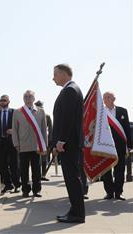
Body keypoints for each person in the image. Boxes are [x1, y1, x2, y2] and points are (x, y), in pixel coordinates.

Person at [52, 64, 85, 223]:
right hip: (70, 143)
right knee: (72, 178)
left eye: (55, 74)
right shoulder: (71, 89)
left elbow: (67, 119)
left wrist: (61, 141)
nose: (53, 78)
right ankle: (75, 210)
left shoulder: (70, 90)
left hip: (68, 143)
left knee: (72, 178)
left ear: (64, 74)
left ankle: (77, 214)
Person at [12, 91, 47, 198]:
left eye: (30, 96)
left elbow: (43, 129)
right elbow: (14, 129)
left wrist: (44, 145)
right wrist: (16, 144)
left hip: (37, 146)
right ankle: (25, 190)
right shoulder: (17, 112)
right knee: (24, 170)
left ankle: (36, 190)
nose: (27, 98)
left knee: (36, 169)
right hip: (23, 146)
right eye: (25, 97)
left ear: (34, 98)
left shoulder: (41, 111)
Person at [102, 91, 131, 200]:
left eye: (108, 97)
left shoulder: (122, 111)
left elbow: (127, 129)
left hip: (120, 145)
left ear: (114, 99)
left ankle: (118, 193)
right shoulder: (101, 112)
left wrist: (129, 145)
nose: (105, 99)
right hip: (105, 145)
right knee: (106, 170)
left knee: (120, 170)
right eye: (104, 97)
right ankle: (109, 192)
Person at [0, 95, 21, 194]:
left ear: (8, 101)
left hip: (12, 143)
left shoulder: (15, 112)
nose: (3, 102)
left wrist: (13, 131)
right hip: (0, 143)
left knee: (14, 165)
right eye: (1, 100)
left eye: (4, 100)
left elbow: (20, 126)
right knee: (2, 166)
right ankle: (8, 185)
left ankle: (17, 184)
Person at [34, 100, 53, 181]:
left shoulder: (47, 116)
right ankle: (37, 175)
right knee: (35, 159)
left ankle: (43, 175)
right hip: (34, 140)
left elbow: (51, 129)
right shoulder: (32, 115)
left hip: (44, 139)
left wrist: (50, 140)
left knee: (44, 158)